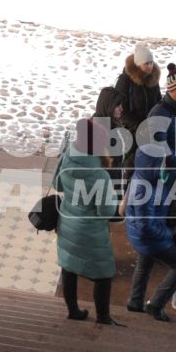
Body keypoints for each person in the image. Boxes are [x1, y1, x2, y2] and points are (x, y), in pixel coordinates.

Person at [124, 64, 176, 320]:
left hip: (160, 199)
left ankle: (135, 301)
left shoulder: (144, 176)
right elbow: (148, 223)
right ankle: (156, 304)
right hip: (155, 216)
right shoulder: (159, 113)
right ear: (172, 91)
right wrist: (169, 231)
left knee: (146, 256)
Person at [54, 116, 122, 326]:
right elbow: (105, 211)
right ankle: (103, 317)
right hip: (90, 231)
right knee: (103, 274)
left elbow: (57, 184)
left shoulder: (67, 158)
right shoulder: (100, 175)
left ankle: (73, 310)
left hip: (67, 223)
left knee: (69, 267)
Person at [110, 43, 160, 191]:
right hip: (130, 130)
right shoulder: (125, 81)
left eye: (151, 62)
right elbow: (120, 108)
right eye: (146, 63)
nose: (150, 66)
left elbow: (158, 100)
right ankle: (127, 196)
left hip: (148, 129)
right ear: (138, 64)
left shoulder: (153, 79)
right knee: (130, 165)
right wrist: (137, 125)